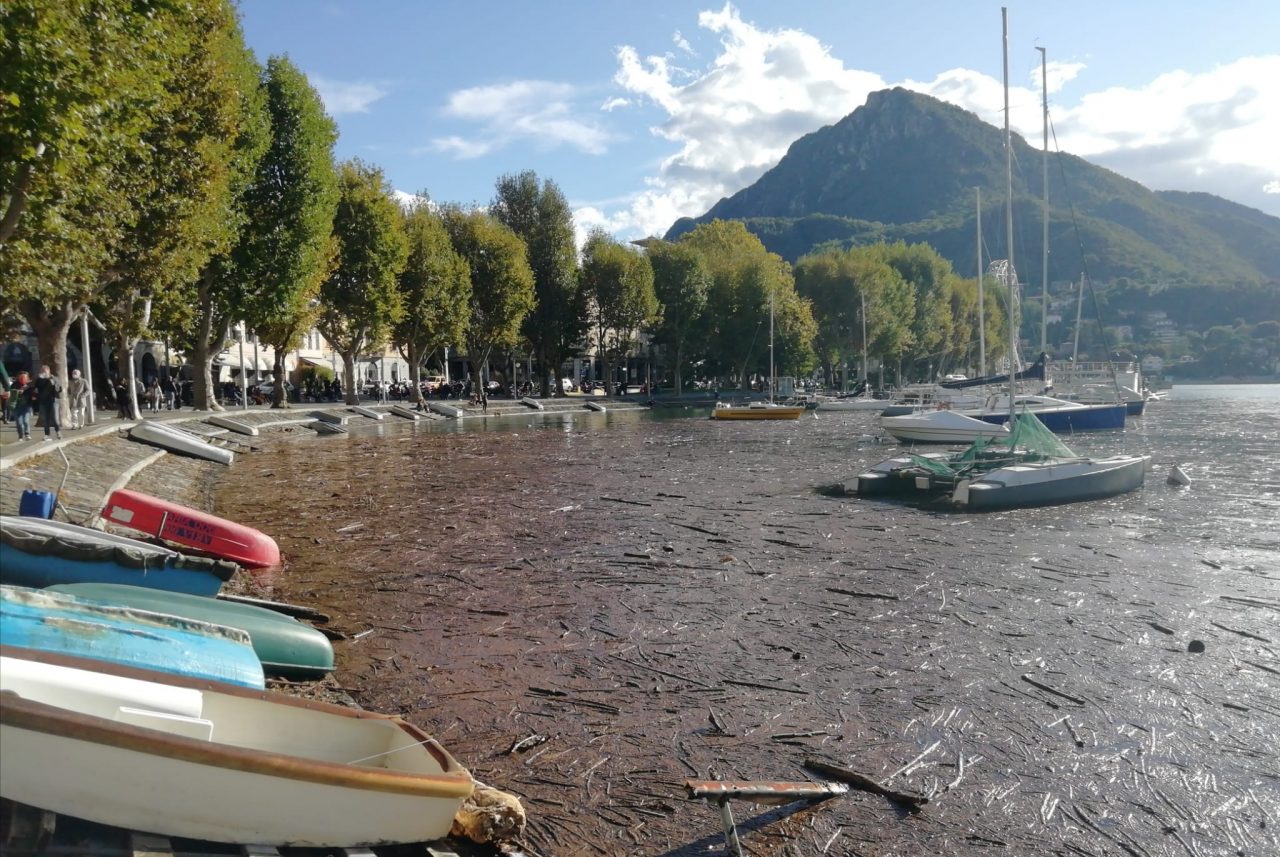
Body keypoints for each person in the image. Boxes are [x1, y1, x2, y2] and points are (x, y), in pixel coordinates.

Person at [33, 364, 63, 441]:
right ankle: (47, 434)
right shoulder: (39, 380)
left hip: (53, 401)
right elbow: (35, 389)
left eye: (45, 371)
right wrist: (35, 394)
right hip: (43, 401)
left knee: (54, 418)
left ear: (48, 371)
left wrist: (52, 382)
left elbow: (59, 389)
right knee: (45, 419)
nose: (43, 372)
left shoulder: (53, 378)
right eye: (42, 371)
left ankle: (58, 432)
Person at [11, 371, 34, 441]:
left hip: (26, 406)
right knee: (19, 423)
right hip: (17, 406)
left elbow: (33, 394)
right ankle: (20, 436)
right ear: (18, 377)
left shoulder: (30, 385)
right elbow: (11, 392)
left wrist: (31, 393)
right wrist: (18, 391)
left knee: (26, 421)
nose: (23, 379)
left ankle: (27, 434)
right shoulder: (14, 384)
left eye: (24, 377)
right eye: (21, 377)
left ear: (27, 378)